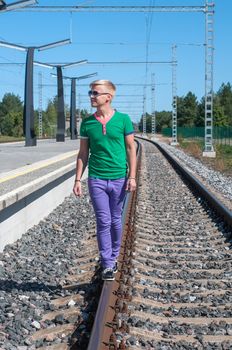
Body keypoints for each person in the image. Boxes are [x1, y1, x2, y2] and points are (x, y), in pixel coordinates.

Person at [73, 79, 136, 281]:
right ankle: (107, 263)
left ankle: (114, 255)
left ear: (108, 97)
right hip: (96, 178)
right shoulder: (87, 122)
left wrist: (132, 176)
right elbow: (83, 153)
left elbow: (130, 149)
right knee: (103, 220)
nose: (91, 96)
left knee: (116, 220)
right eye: (90, 92)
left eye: (95, 93)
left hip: (119, 177)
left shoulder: (124, 120)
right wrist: (77, 179)